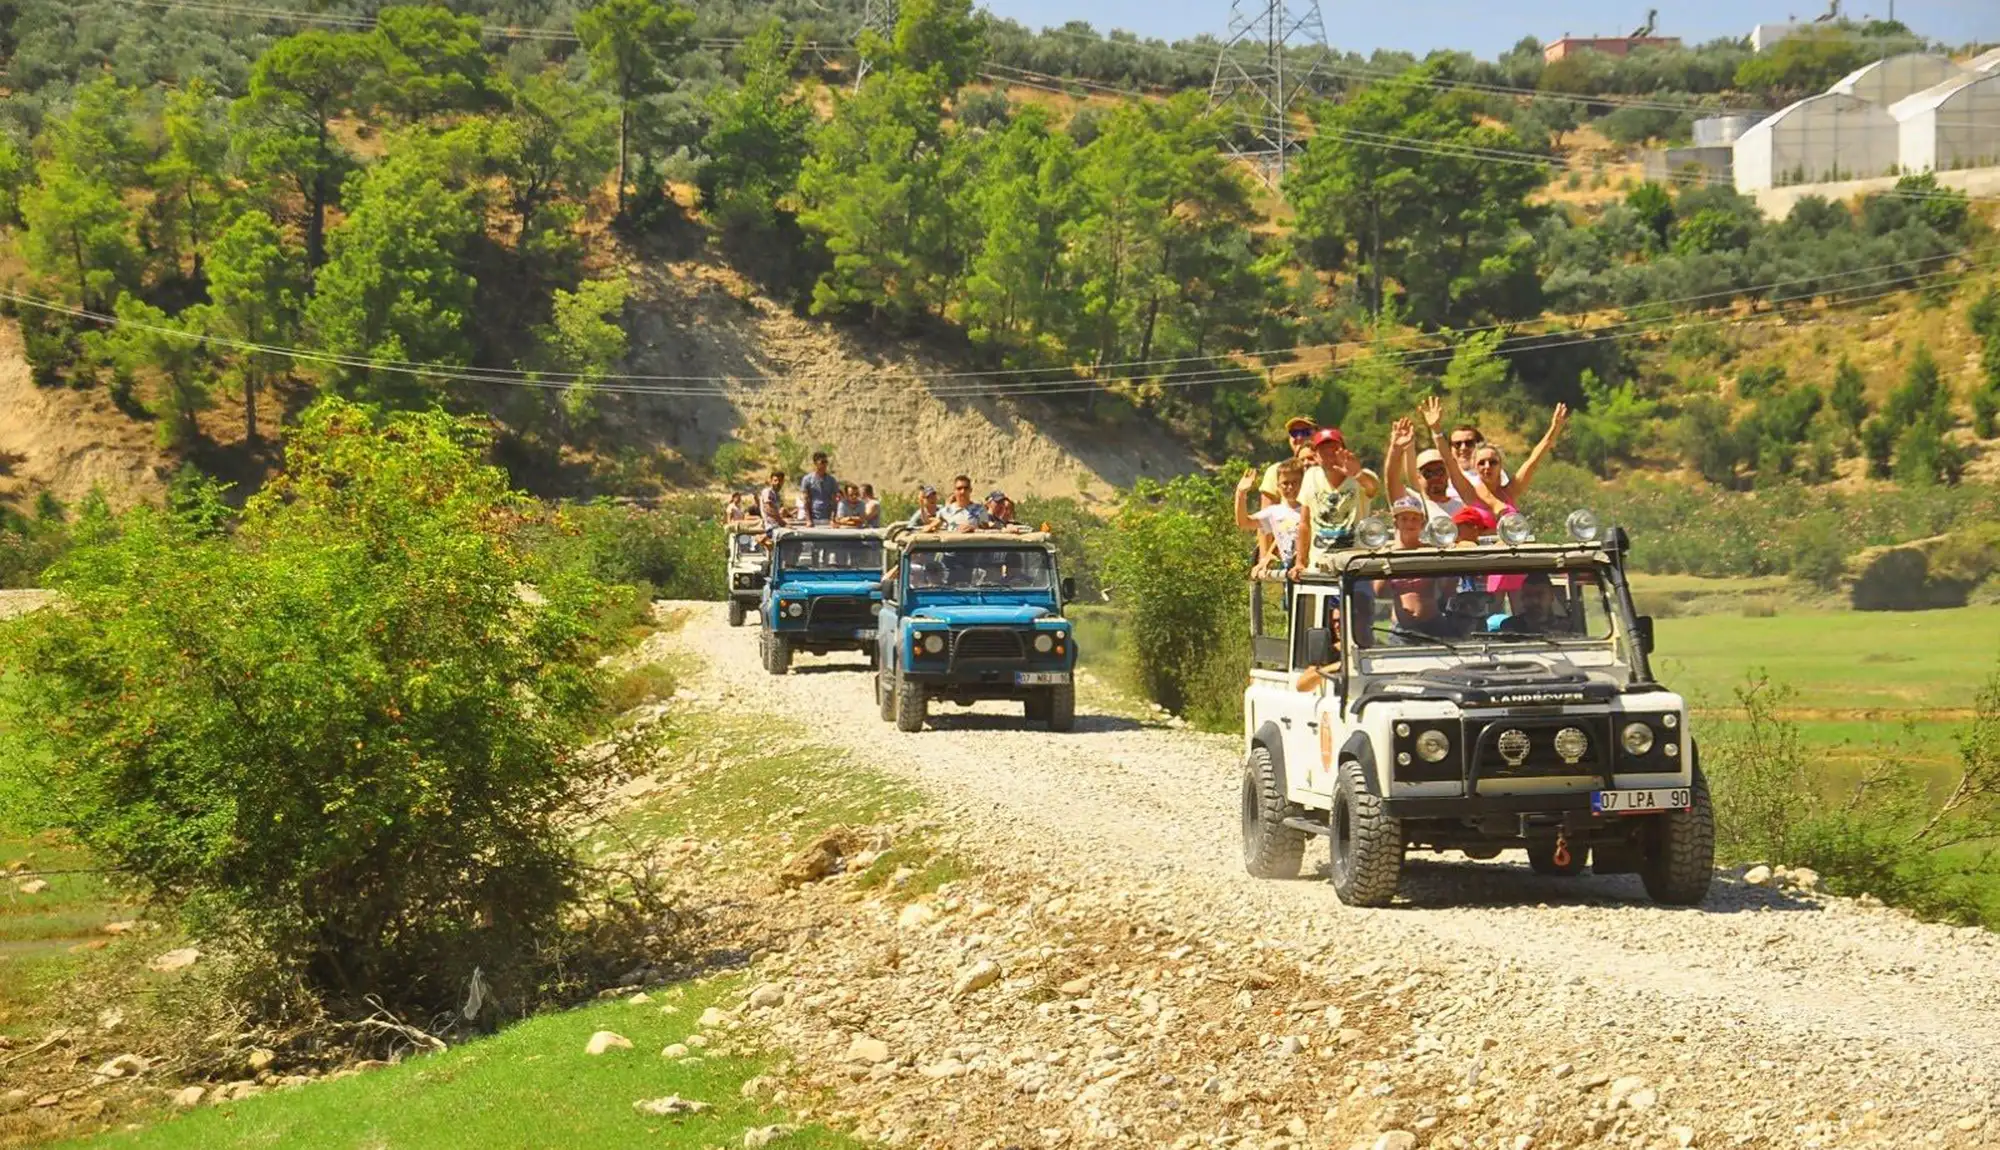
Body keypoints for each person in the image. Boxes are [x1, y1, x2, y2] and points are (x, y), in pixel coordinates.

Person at [1288, 429, 1380, 579]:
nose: (1330, 456)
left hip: (1355, 565)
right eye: (1324, 451)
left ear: (1344, 451)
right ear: (1316, 456)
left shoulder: (1360, 477)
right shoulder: (1311, 477)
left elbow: (1372, 488)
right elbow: (1305, 523)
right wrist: (1300, 562)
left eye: (1335, 450)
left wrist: (1357, 474)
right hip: (1320, 565)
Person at [1471, 404, 1569, 512]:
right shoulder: (1468, 493)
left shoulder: (1510, 492)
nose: (1487, 466)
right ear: (1474, 467)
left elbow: (1533, 460)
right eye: (1481, 463)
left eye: (1493, 462)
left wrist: (1554, 428)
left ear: (1500, 466)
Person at [1384, 416, 1465, 523]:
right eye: (1428, 473)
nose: (1435, 477)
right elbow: (1392, 480)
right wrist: (1395, 449)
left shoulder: (1462, 507)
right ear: (1418, 476)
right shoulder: (1411, 503)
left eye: (1440, 471)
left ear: (1448, 473)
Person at [1236, 461, 1303, 578]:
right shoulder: (1274, 512)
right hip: (1289, 573)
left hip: (1310, 571)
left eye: (1295, 482)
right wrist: (1240, 494)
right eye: (1285, 483)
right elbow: (1244, 523)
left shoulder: (1311, 508)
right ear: (1277, 485)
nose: (1290, 487)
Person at [1259, 416, 1318, 509]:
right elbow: (1266, 516)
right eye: (1294, 433)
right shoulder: (1276, 471)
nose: (1299, 437)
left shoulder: (1329, 470)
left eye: (1305, 432)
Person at [800, 452, 840, 525]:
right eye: (822, 462)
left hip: (827, 518)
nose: (825, 465)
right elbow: (806, 500)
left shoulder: (832, 480)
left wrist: (833, 519)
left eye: (826, 462)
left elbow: (835, 500)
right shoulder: (807, 479)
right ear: (815, 463)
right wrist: (808, 520)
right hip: (813, 518)